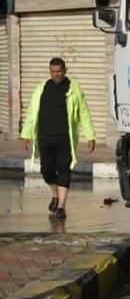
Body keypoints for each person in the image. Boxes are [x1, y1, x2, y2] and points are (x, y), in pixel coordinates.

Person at [20, 57, 97, 220]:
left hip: (65, 139)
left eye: (59, 71)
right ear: (50, 71)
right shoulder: (41, 88)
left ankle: (61, 206)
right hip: (44, 137)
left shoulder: (74, 88)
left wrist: (90, 135)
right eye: (53, 72)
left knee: (63, 170)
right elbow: (31, 112)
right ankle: (55, 194)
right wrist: (26, 134)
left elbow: (84, 113)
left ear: (65, 70)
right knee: (46, 170)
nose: (56, 75)